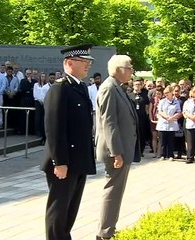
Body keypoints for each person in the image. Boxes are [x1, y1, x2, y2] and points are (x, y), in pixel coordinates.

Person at [41, 44, 96, 240]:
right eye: (84, 62)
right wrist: (60, 161)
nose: (88, 65)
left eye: (89, 62)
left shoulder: (80, 87)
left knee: (70, 208)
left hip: (78, 159)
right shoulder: (60, 89)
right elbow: (54, 128)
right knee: (59, 207)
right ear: (69, 62)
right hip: (65, 160)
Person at [95, 55, 140, 240]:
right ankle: (105, 233)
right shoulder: (109, 88)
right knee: (112, 191)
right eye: (129, 67)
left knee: (116, 191)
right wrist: (116, 153)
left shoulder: (117, 88)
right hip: (115, 152)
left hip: (121, 149)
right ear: (117, 69)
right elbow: (109, 123)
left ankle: (109, 228)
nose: (131, 71)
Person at [156, 85, 182, 160]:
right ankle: (163, 154)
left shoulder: (176, 102)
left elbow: (179, 112)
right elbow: (160, 111)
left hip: (172, 122)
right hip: (163, 122)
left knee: (171, 140)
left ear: (171, 92)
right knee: (163, 140)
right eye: (165, 93)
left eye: (167, 92)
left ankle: (171, 154)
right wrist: (167, 117)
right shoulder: (162, 101)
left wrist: (172, 117)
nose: (166, 94)